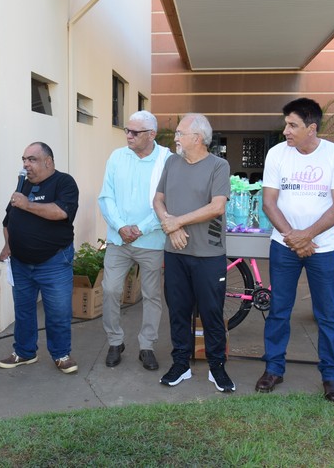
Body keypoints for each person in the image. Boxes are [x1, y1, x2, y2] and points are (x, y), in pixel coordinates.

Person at [255, 97, 334, 402]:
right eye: (286, 124)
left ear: (311, 128)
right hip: (283, 246)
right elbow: (268, 202)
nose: (286, 130)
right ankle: (274, 368)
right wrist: (292, 237)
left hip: (322, 248)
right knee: (279, 310)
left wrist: (307, 236)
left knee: (327, 315)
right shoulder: (276, 154)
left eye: (292, 125)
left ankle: (331, 375)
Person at [153, 113, 234, 392]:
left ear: (197, 138)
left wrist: (179, 221)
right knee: (178, 311)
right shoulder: (172, 162)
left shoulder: (218, 165)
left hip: (208, 255)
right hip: (175, 252)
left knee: (211, 312)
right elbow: (158, 198)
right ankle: (180, 364)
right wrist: (169, 224)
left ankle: (217, 367)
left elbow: (216, 207)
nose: (175, 137)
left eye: (179, 133)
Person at [0, 142, 80, 374]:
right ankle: (24, 352)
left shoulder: (64, 182)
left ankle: (61, 354)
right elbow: (8, 220)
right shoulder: (22, 185)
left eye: (32, 159)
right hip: (21, 263)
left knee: (58, 310)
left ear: (48, 161)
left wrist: (28, 204)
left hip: (53, 261)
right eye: (24, 159)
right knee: (23, 310)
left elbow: (62, 212)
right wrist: (7, 244)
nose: (26, 164)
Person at [98, 110, 171, 370]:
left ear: (151, 135)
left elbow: (167, 202)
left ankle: (147, 345)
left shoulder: (167, 160)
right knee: (110, 290)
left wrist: (139, 229)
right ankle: (115, 341)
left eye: (134, 132)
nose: (128, 135)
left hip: (151, 240)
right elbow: (106, 197)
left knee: (151, 295)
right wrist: (120, 227)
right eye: (126, 130)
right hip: (119, 240)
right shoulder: (117, 157)